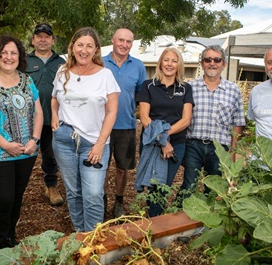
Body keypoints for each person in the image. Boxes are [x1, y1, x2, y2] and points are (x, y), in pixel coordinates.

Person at [0, 35, 44, 248]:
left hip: (26, 151)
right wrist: (6, 145)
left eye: (13, 52)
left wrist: (35, 139)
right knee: (3, 199)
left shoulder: (27, 81)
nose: (9, 57)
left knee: (15, 198)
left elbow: (38, 113)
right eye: (4, 53)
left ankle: (10, 239)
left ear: (19, 56)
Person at [51, 27, 120, 232]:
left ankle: (94, 239)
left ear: (96, 50)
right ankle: (81, 236)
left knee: (93, 194)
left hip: (93, 142)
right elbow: (54, 98)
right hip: (64, 140)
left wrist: (100, 145)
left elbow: (111, 113)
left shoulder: (106, 75)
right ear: (72, 47)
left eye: (89, 45)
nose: (84, 50)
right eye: (80, 44)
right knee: (73, 192)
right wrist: (54, 115)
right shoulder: (62, 72)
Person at [179, 45, 246, 198]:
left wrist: (233, 153)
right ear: (202, 64)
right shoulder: (189, 87)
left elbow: (237, 123)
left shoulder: (233, 90)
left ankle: (208, 221)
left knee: (214, 189)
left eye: (217, 59)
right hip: (193, 145)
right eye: (208, 59)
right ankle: (182, 218)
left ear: (224, 64)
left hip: (219, 149)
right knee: (189, 186)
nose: (212, 63)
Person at [135, 47, 194, 217]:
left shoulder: (185, 88)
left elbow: (185, 120)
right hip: (152, 142)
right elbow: (144, 117)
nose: (170, 64)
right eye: (166, 60)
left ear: (179, 65)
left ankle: (155, 221)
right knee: (153, 183)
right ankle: (154, 220)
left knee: (164, 184)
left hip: (176, 143)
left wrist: (165, 137)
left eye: (174, 61)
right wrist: (162, 141)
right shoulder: (148, 86)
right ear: (160, 62)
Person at [103, 28, 146, 218]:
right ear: (112, 40)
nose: (124, 45)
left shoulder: (138, 66)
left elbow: (141, 95)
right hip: (100, 126)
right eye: (121, 40)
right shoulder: (100, 63)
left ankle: (118, 201)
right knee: (101, 167)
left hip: (126, 126)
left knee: (122, 167)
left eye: (128, 41)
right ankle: (101, 200)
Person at [25, 23, 66, 206]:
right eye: (39, 36)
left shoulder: (61, 63)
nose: (43, 39)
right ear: (33, 40)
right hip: (27, 119)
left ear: (52, 40)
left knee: (50, 154)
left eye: (46, 36)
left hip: (52, 118)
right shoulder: (23, 62)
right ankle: (18, 189)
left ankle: (51, 187)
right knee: (25, 153)